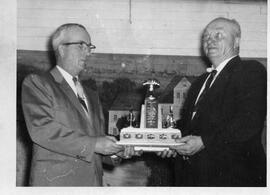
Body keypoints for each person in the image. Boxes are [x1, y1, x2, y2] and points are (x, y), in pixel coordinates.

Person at [21, 23, 137, 186]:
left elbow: (96, 141)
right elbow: (42, 129)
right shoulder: (38, 83)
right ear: (61, 49)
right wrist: (95, 144)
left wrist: (116, 152)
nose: (88, 52)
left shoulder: (91, 94)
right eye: (81, 46)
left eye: (89, 47)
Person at [159, 17, 266, 186]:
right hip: (191, 180)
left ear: (236, 41)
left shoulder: (251, 71)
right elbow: (189, 127)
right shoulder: (199, 83)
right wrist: (169, 142)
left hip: (232, 181)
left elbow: (248, 123)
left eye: (219, 35)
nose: (210, 40)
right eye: (206, 37)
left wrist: (203, 142)